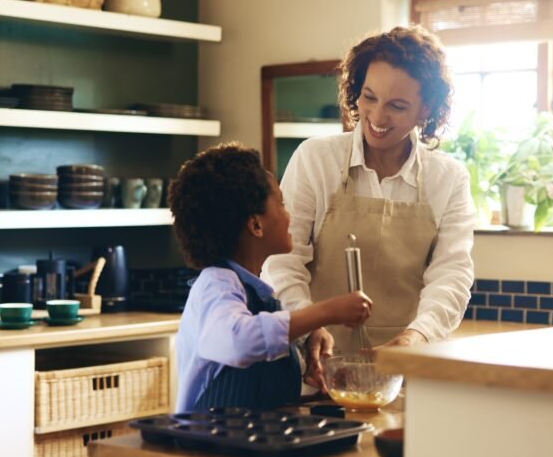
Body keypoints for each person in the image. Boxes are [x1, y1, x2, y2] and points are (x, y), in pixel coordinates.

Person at [262, 25, 476, 368]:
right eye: (369, 97)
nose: (377, 117)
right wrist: (308, 327)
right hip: (312, 363)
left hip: (404, 367)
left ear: (425, 109)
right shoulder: (316, 159)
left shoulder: (448, 178)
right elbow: (282, 262)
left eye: (397, 106)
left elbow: (452, 274)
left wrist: (417, 337)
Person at [169, 143, 373, 412]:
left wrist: (307, 344)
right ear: (256, 225)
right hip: (210, 439)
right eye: (282, 204)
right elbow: (239, 341)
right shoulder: (216, 284)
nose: (289, 216)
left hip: (254, 436)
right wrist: (327, 312)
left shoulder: (259, 295)